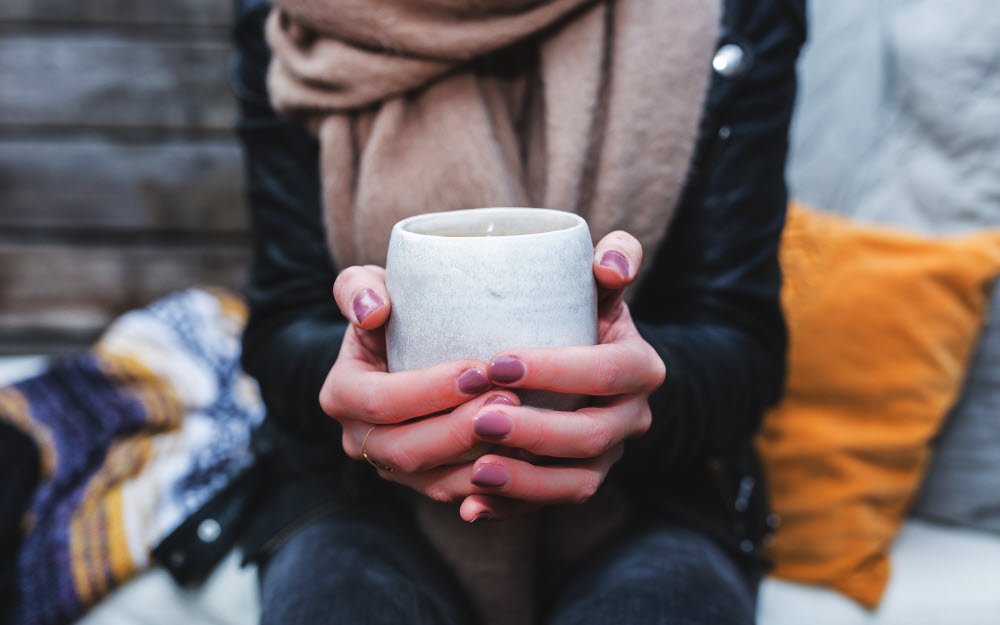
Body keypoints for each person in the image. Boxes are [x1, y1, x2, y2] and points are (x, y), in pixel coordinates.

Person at [231, 0, 805, 623]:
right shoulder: (301, 15)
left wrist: (622, 395)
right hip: (355, 498)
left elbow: (744, 348)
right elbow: (281, 327)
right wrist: (370, 378)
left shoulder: (735, 12)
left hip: (650, 500)